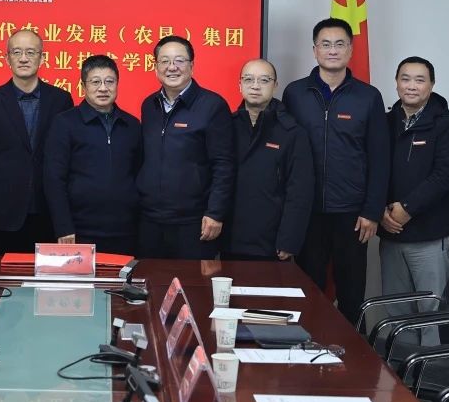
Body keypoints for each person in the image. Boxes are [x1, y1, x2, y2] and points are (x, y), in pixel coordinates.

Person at [282, 17, 389, 325]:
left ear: (350, 50)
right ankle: (306, 346)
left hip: (352, 213)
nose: (332, 50)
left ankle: (352, 350)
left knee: (351, 290)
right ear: (315, 50)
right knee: (307, 288)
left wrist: (371, 210)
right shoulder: (295, 94)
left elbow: (379, 158)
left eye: (339, 44)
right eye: (325, 44)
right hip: (307, 210)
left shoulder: (368, 97)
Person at [379, 57, 449, 344]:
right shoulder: (385, 123)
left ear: (431, 85)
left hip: (430, 237)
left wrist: (407, 208)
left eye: (419, 79)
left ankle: (430, 372)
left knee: (432, 316)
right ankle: (398, 371)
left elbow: (447, 176)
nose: (411, 86)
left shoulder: (446, 126)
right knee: (396, 315)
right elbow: (374, 170)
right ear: (396, 83)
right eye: (405, 79)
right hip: (390, 234)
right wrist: (380, 210)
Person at [0, 30, 73, 253]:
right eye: (17, 52)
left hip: (48, 212)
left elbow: (67, 160)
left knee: (46, 275)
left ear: (42, 58)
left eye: (30, 52)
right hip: (2, 215)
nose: (23, 58)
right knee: (1, 274)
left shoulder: (61, 100)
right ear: (7, 58)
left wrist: (66, 218)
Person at [137, 35, 235, 259]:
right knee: (150, 279)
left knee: (193, 281)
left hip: (194, 222)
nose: (172, 67)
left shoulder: (212, 106)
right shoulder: (149, 105)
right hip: (150, 220)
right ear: (155, 67)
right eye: (165, 61)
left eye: (179, 60)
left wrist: (215, 213)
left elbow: (224, 164)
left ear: (192, 65)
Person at [43, 55, 143, 254]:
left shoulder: (132, 125)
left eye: (109, 81)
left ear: (117, 84)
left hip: (126, 229)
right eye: (96, 82)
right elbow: (54, 178)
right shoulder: (65, 123)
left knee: (124, 275)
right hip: (79, 230)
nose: (103, 88)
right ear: (83, 86)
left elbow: (139, 172)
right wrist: (63, 226)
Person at [224, 59, 313, 261]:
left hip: (272, 242)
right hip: (230, 238)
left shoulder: (292, 132)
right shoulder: (226, 126)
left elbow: (300, 192)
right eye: (249, 80)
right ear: (240, 85)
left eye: (264, 80)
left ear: (275, 85)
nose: (255, 86)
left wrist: (289, 239)